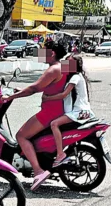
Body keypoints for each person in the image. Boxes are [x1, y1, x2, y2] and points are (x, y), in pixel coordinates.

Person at [0, 36, 73, 188]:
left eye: (43, 50)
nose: (40, 53)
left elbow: (34, 88)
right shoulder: (64, 66)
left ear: (51, 53)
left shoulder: (53, 69)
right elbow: (45, 86)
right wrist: (20, 90)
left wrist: (11, 97)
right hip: (60, 109)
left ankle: (38, 171)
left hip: (50, 112)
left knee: (21, 136)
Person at [40, 56, 95, 189]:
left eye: (68, 62)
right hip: (82, 111)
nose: (65, 63)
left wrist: (47, 98)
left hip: (78, 112)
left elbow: (64, 94)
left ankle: (60, 154)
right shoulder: (77, 76)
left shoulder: (75, 77)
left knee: (54, 124)